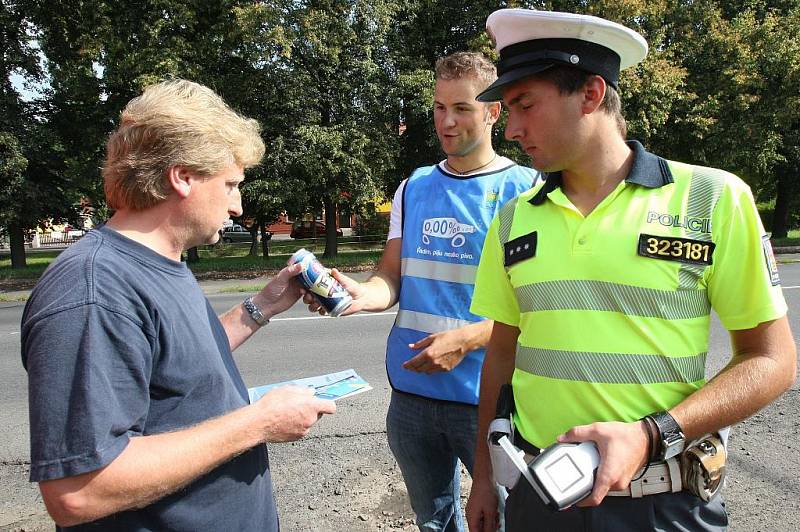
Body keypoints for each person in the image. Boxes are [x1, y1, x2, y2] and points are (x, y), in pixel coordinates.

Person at [465, 8, 797, 532]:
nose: (512, 129)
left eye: (524, 104)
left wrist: (652, 433)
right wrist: (483, 477)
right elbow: (502, 354)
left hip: (661, 504)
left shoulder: (712, 198)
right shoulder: (512, 221)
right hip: (538, 498)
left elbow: (772, 359)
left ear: (592, 94)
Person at [21, 79, 336, 531]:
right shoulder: (94, 291)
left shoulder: (161, 261)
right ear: (183, 177)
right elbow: (80, 489)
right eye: (230, 185)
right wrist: (259, 424)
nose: (237, 205)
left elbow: (179, 365)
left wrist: (262, 306)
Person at [305, 52, 539, 531]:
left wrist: (469, 340)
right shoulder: (413, 187)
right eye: (438, 107)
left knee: (502, 520)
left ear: (493, 111)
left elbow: (539, 307)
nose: (447, 122)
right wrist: (356, 294)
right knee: (433, 522)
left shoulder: (527, 190)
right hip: (411, 397)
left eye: (462, 108)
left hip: (486, 398)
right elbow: (391, 278)